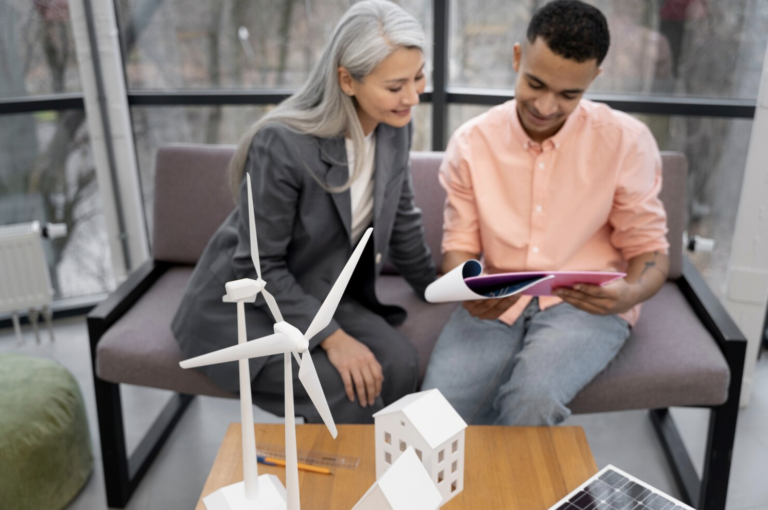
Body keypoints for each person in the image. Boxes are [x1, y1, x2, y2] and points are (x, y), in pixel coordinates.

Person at [172, 0, 436, 424]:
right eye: (395, 86)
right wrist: (332, 337)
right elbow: (258, 269)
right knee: (346, 387)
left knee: (401, 361)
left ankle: (379, 465)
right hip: (245, 304)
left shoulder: (394, 129)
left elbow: (401, 218)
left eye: (419, 77)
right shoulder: (282, 144)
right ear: (347, 81)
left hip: (316, 289)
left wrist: (438, 287)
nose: (413, 96)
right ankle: (346, 479)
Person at [421, 0, 669, 426]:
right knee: (431, 417)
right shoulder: (472, 142)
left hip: (586, 305)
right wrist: (468, 289)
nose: (547, 106)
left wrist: (627, 295)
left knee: (530, 402)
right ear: (518, 57)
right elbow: (458, 249)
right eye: (535, 83)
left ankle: (505, 494)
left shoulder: (627, 141)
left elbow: (650, 252)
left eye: (569, 94)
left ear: (594, 78)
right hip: (499, 297)